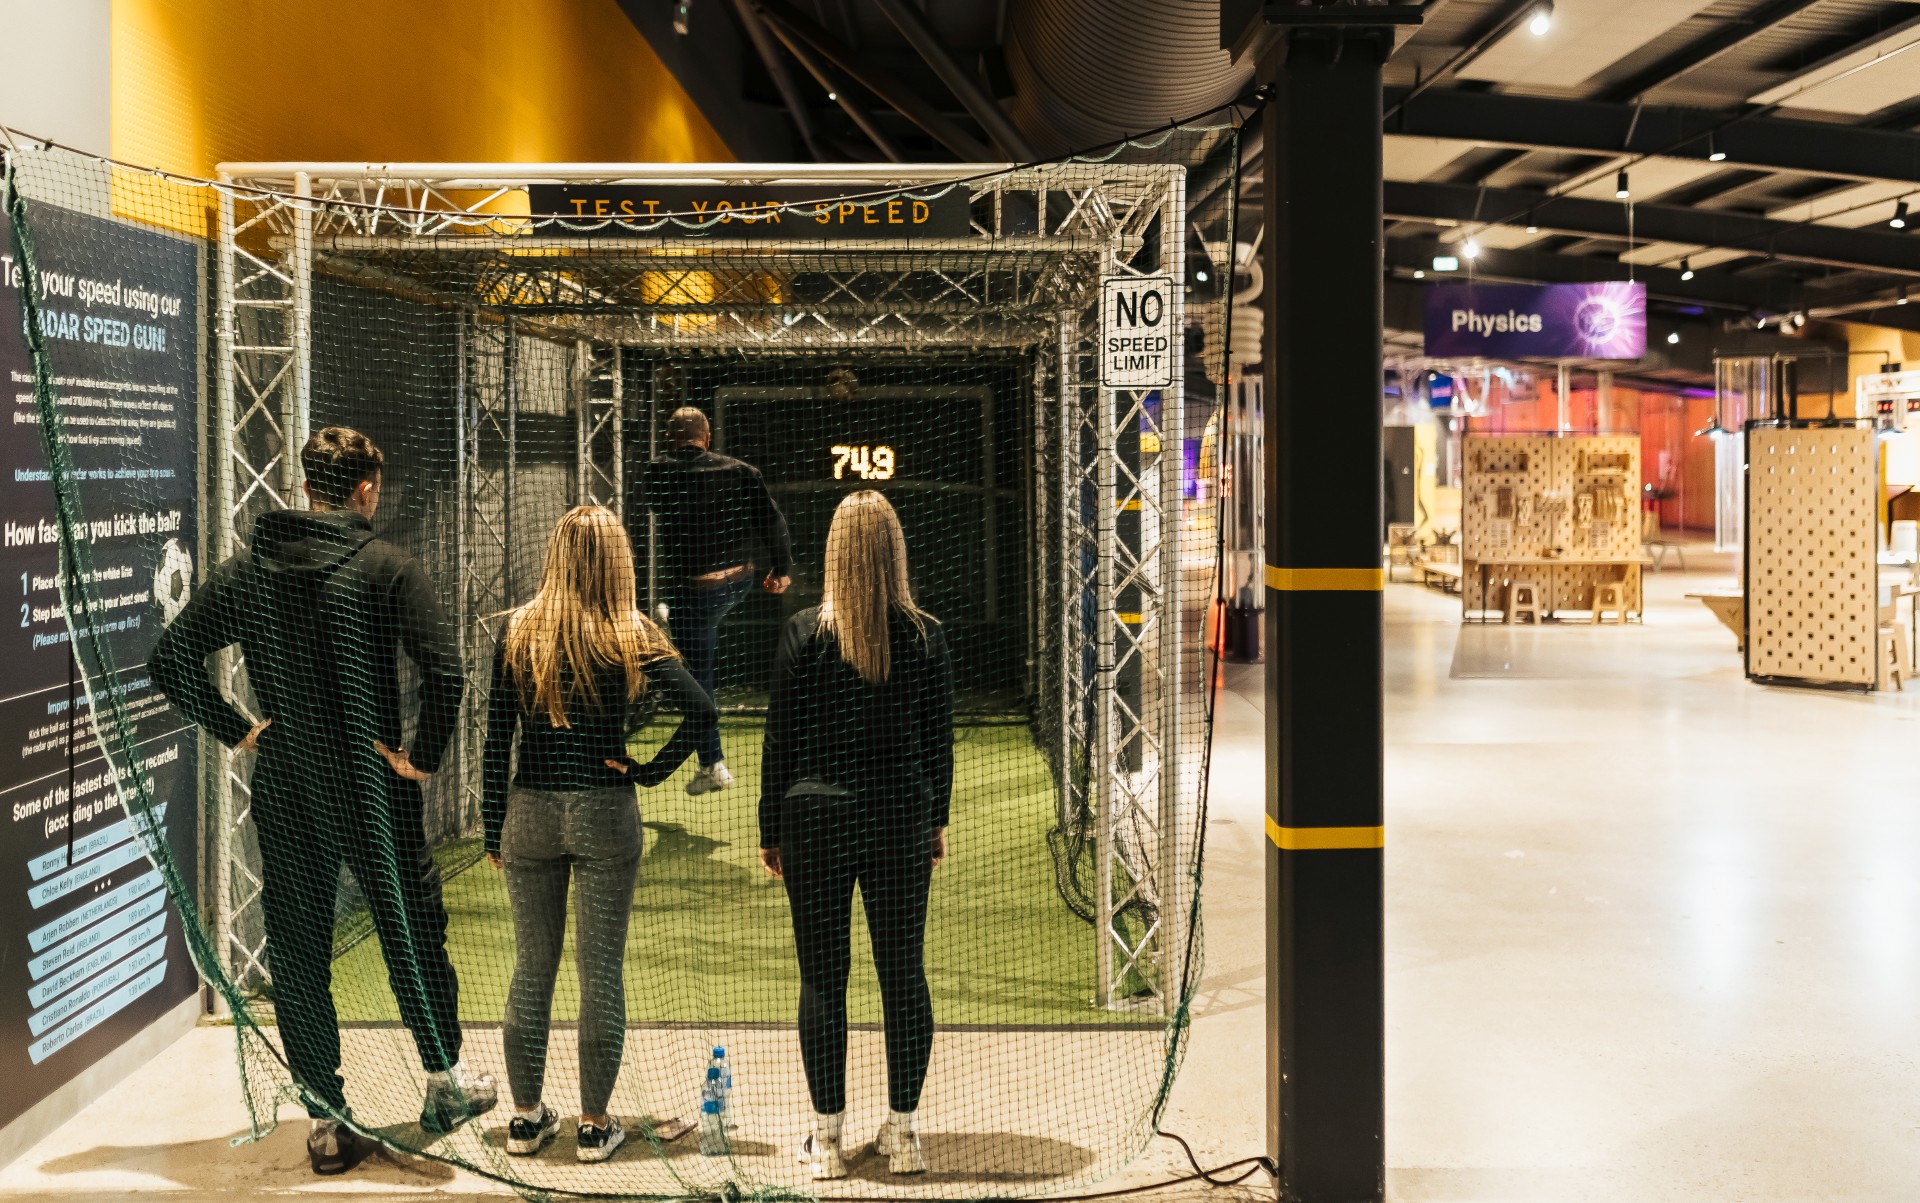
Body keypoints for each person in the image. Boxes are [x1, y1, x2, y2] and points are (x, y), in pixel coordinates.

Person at [151, 427, 494, 1175]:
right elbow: (448, 670)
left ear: (307, 487)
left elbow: (169, 656)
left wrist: (239, 729)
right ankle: (444, 1082)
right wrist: (422, 757)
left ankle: (327, 1123)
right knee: (410, 927)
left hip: (288, 782)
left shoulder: (249, 570)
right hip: (372, 781)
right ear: (366, 487)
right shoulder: (387, 566)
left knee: (300, 951)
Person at [483, 506, 717, 1164]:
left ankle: (525, 1120)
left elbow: (496, 737)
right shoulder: (629, 630)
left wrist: (489, 826)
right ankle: (593, 1126)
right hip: (606, 809)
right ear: (617, 562)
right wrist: (649, 770)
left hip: (529, 811)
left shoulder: (518, 628)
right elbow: (703, 709)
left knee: (532, 969)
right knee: (600, 973)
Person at [759, 491, 953, 1179]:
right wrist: (936, 819)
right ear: (894, 550)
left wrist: (768, 828)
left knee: (823, 979)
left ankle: (828, 1142)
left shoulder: (802, 631)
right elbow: (938, 744)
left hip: (814, 820)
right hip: (900, 816)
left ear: (835, 551)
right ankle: (904, 1136)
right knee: (903, 975)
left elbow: (777, 741)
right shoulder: (926, 633)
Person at [637, 405, 792, 795]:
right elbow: (772, 519)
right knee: (692, 633)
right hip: (740, 581)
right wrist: (783, 569)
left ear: (670, 438)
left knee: (696, 674)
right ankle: (675, 620)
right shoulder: (741, 471)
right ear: (707, 439)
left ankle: (713, 764)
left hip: (696, 591)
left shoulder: (657, 472)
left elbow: (658, 505)